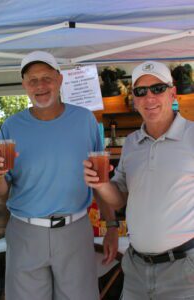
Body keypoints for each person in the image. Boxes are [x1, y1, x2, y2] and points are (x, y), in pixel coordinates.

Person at [0, 50, 118, 300]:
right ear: (24, 85)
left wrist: (111, 225)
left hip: (75, 231)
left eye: (46, 77)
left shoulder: (85, 120)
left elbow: (99, 179)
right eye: (32, 80)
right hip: (26, 232)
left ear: (59, 80)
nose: (40, 85)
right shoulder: (11, 126)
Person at [84, 60, 194, 299]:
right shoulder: (132, 143)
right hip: (136, 268)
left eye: (158, 89)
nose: (149, 97)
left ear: (172, 92)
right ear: (134, 99)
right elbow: (119, 199)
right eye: (141, 92)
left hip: (185, 270)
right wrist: (101, 184)